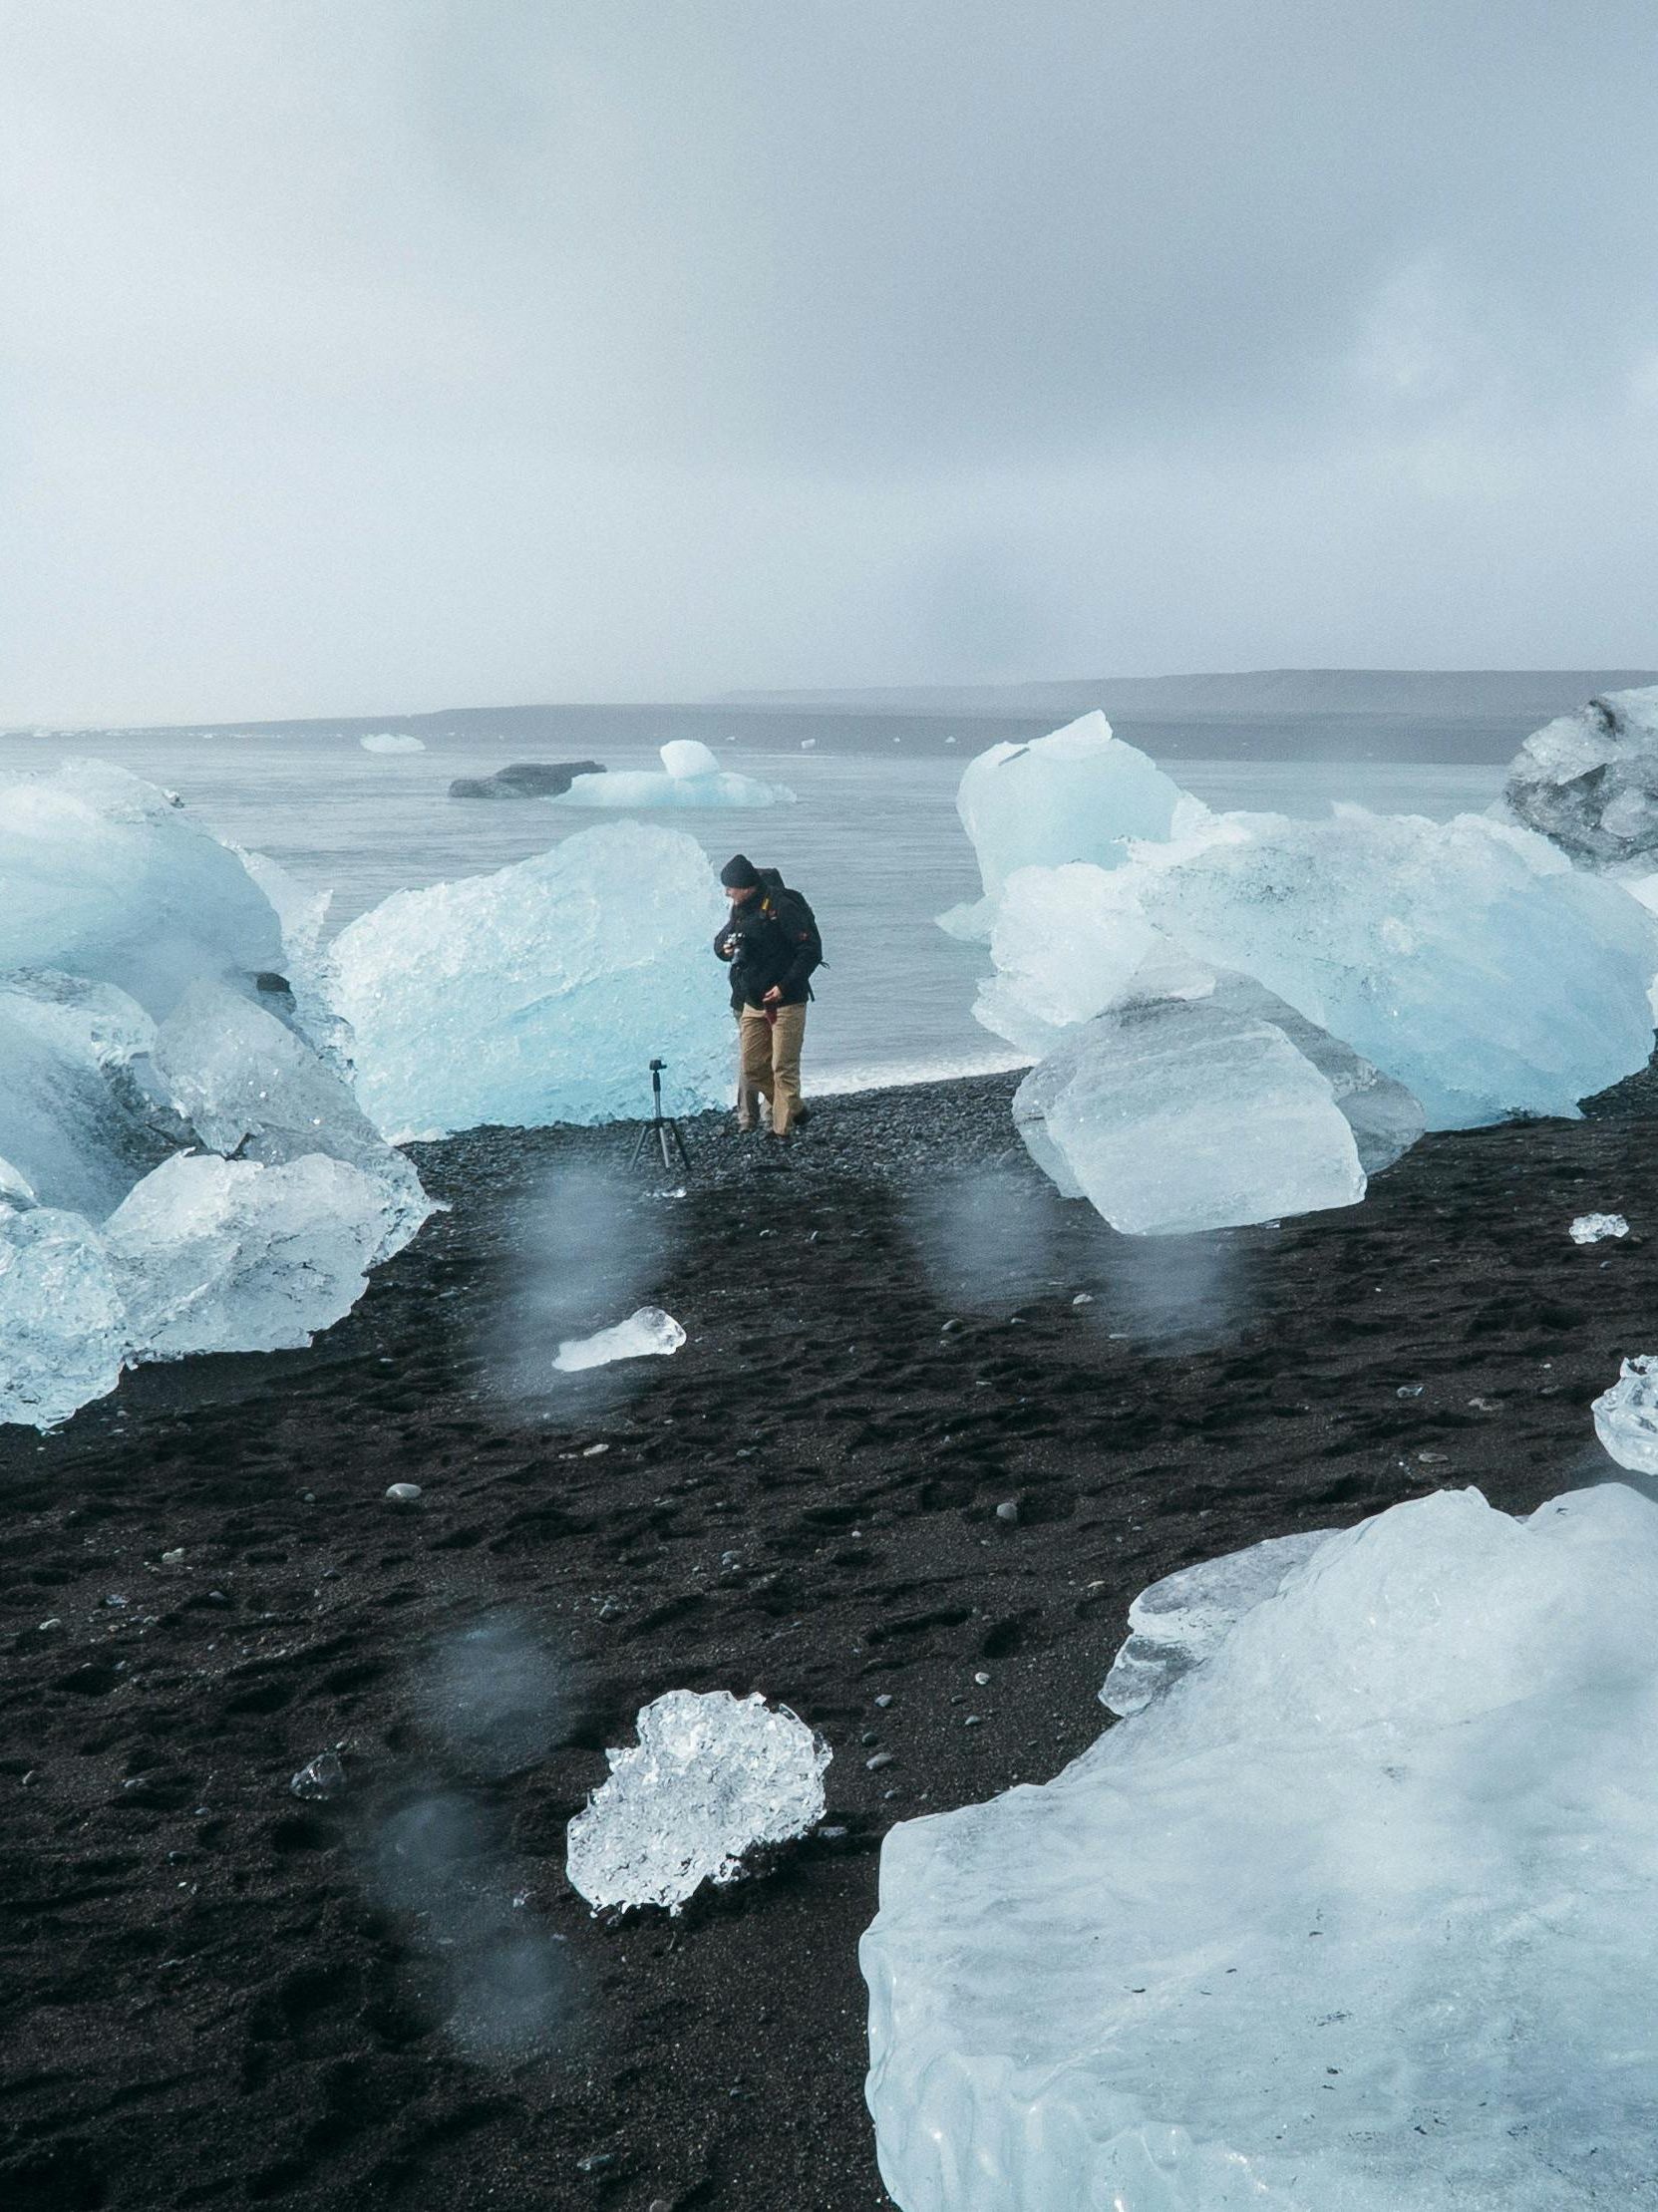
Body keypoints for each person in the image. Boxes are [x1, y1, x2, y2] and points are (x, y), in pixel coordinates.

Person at [713, 853, 822, 1137]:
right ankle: (795, 1108)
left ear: (746, 886)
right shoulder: (739, 909)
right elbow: (721, 942)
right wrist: (724, 950)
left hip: (787, 1000)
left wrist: (785, 986)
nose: (727, 893)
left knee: (782, 1067)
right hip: (751, 1000)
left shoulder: (781, 907)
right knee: (752, 1068)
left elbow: (810, 952)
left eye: (731, 887)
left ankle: (781, 1131)